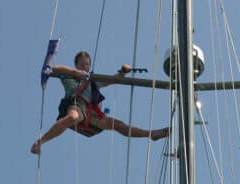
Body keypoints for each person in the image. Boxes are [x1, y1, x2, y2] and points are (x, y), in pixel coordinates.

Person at [30, 51, 169, 154]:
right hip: (77, 104)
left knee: (118, 125)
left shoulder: (93, 80)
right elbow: (55, 68)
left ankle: (151, 134)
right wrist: (76, 72)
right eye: (82, 63)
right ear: (76, 64)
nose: (85, 65)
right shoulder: (69, 76)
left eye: (87, 63)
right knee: (73, 117)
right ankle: (40, 142)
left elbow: (112, 80)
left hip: (93, 114)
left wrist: (122, 72)